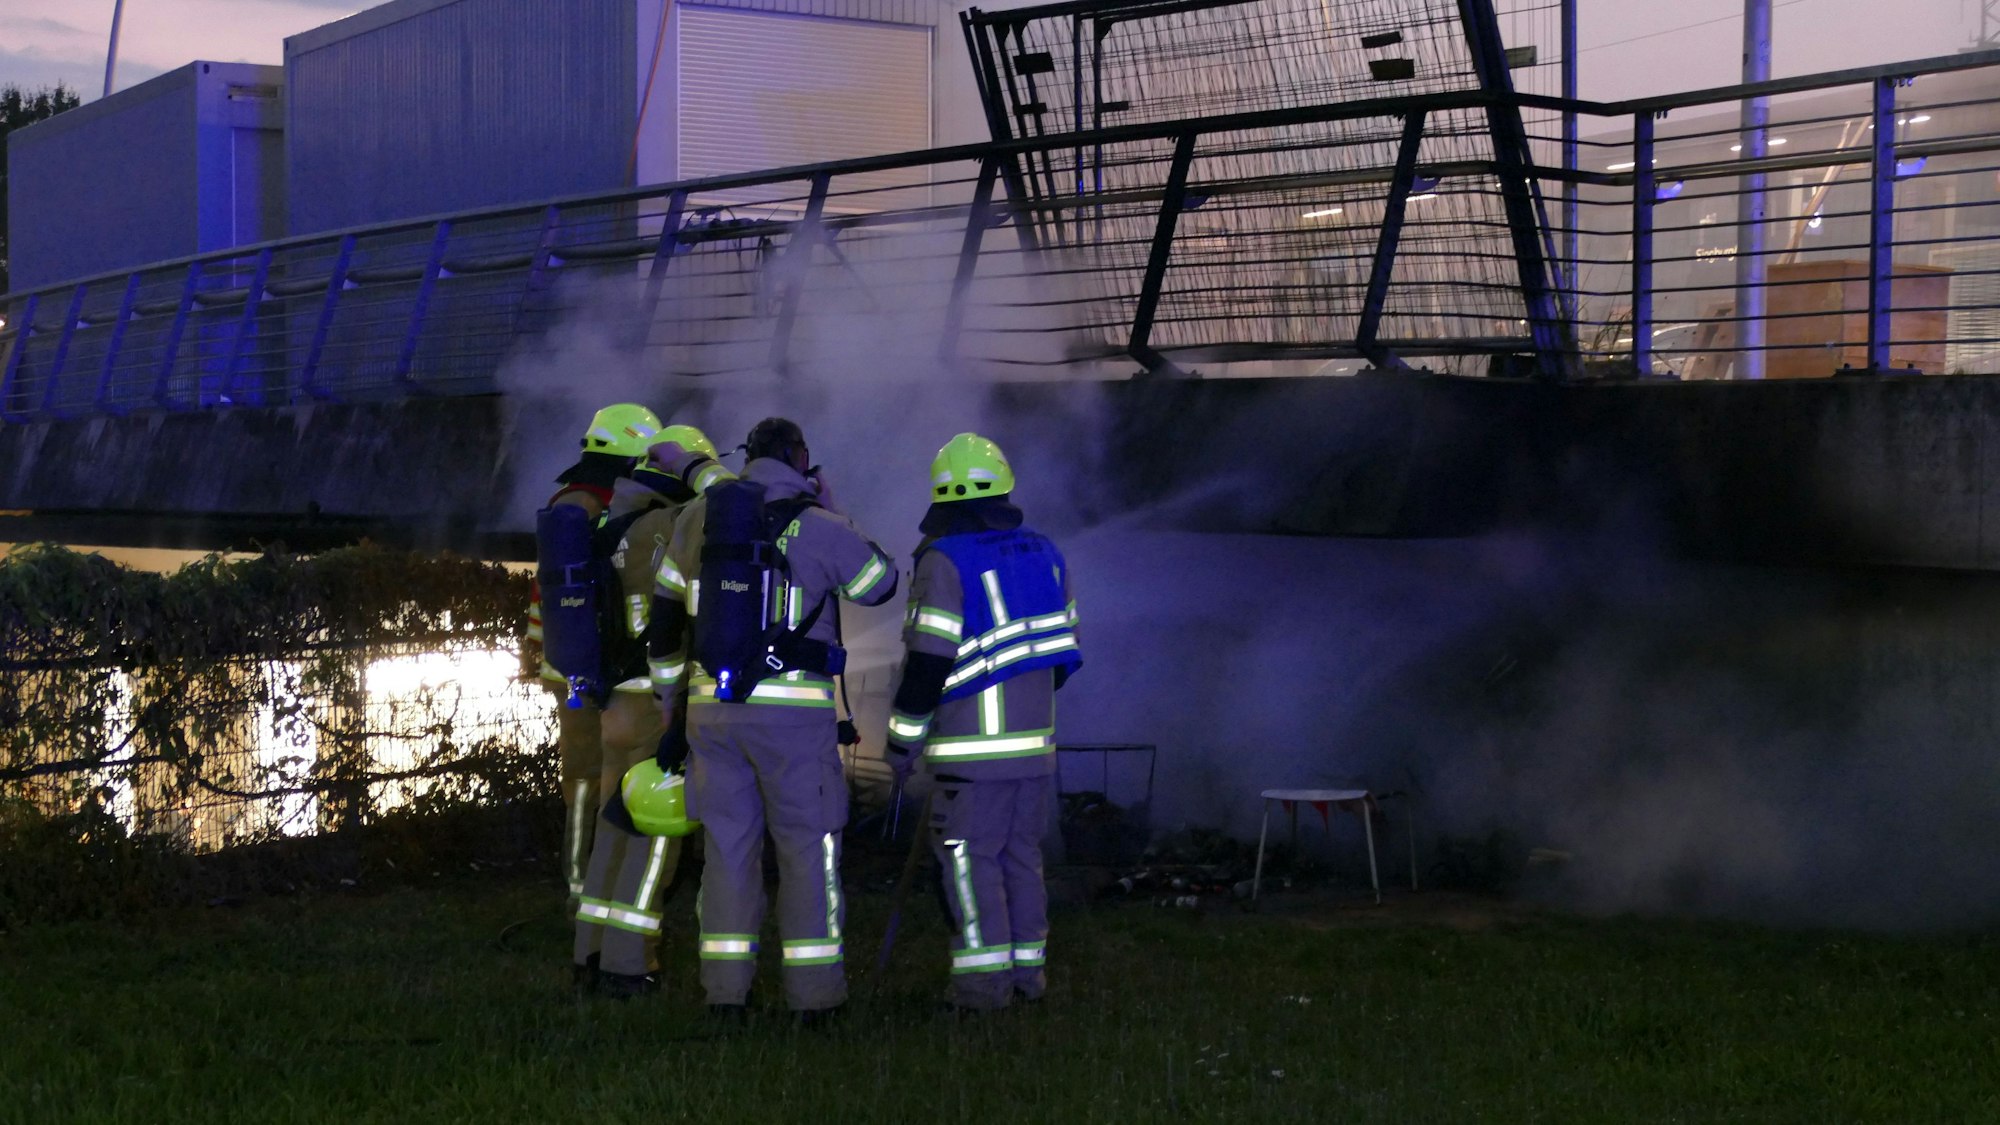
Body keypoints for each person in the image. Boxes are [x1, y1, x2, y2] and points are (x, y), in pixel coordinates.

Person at [648, 417, 898, 1023]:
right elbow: (882, 584)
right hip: (794, 727)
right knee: (806, 855)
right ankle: (815, 999)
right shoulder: (821, 526)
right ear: (799, 458)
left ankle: (726, 996)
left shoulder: (694, 520)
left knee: (727, 854)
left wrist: (668, 705)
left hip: (713, 716)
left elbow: (663, 622)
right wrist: (837, 510)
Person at [883, 433, 1081, 1012]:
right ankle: (1027, 979)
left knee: (970, 867)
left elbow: (926, 664)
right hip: (1035, 753)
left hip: (971, 760)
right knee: (1022, 859)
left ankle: (980, 990)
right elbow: (1062, 657)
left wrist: (901, 744)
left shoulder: (945, 561)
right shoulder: (1046, 553)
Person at [567, 422, 726, 998]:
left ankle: (590, 952)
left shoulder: (615, 524)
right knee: (657, 837)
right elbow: (730, 505)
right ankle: (631, 966)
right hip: (654, 703)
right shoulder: (671, 523)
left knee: (615, 831)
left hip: (615, 706)